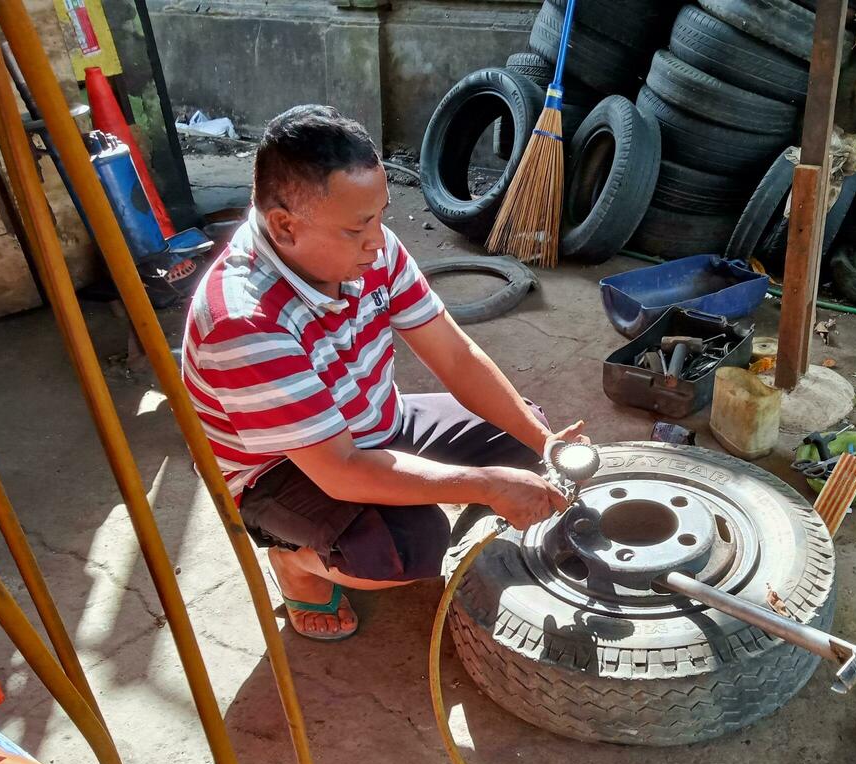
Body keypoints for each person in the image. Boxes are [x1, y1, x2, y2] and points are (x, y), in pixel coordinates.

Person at [182, 105, 580, 641]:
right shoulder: (244, 321)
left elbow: (455, 356)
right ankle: (297, 565)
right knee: (408, 552)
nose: (378, 239)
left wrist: (549, 443)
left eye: (379, 215)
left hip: (372, 421)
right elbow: (341, 469)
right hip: (284, 468)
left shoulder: (370, 252)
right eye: (356, 227)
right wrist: (483, 485)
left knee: (525, 441)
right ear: (284, 225)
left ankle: (458, 484)